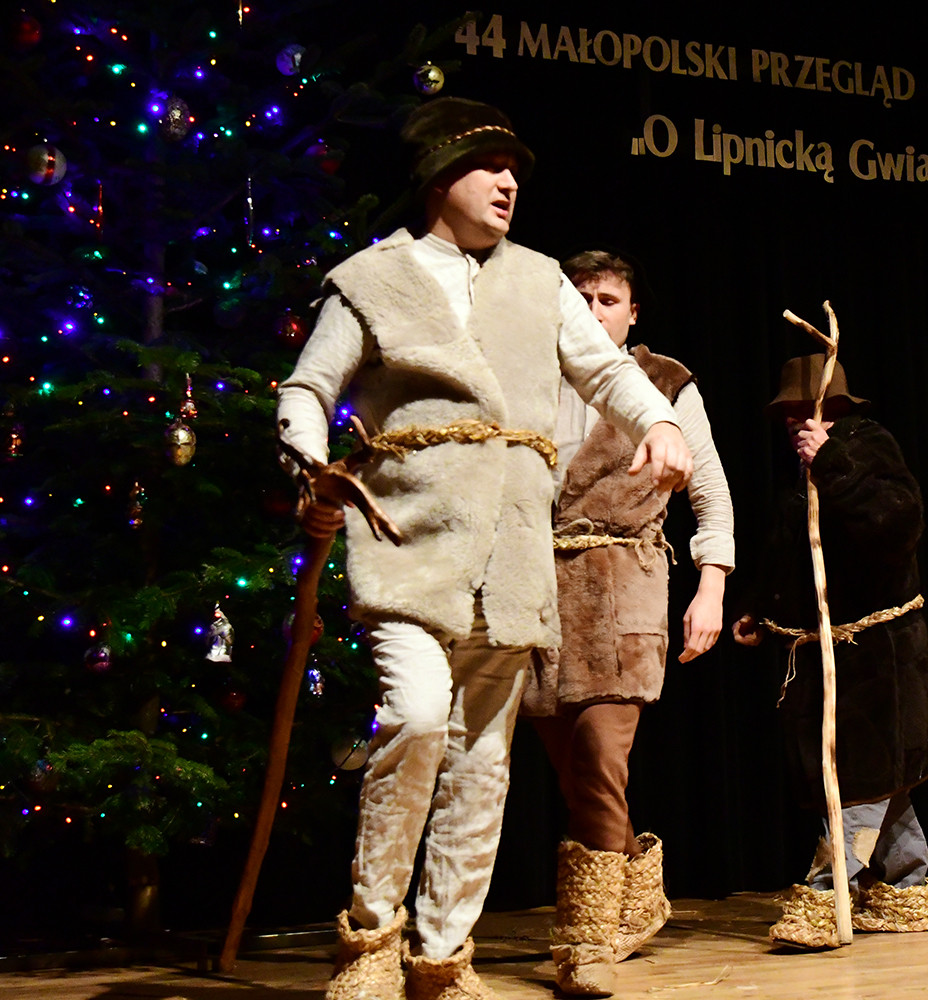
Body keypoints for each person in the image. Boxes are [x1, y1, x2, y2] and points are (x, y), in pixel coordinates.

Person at [276, 98, 691, 1000]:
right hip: (409, 542)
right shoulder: (371, 280)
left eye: (515, 172)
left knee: (481, 761)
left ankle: (441, 957)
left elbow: (606, 369)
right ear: (438, 177)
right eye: (489, 166)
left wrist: (659, 422)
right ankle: (370, 939)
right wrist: (311, 464)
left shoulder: (538, 279)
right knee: (418, 715)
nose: (509, 184)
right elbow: (309, 387)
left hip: (510, 552)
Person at [520, 250, 735, 996]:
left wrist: (710, 590)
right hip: (540, 590)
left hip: (625, 584)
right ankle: (637, 895)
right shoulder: (529, 376)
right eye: (579, 297)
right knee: (574, 773)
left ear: (632, 312)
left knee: (598, 757)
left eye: (607, 299)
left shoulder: (664, 383)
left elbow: (710, 493)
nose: (591, 310)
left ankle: (587, 940)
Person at [732, 354, 928, 949]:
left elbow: (898, 525)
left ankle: (829, 892)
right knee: (879, 779)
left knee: (858, 779)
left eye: (803, 411)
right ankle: (905, 885)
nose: (793, 423)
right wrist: (760, 607)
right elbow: (790, 548)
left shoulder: (864, 444)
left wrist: (833, 461)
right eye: (788, 414)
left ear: (832, 409)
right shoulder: (804, 468)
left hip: (877, 655)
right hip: (829, 652)